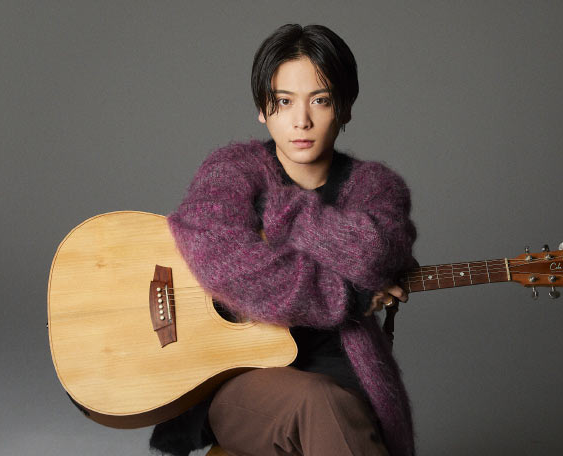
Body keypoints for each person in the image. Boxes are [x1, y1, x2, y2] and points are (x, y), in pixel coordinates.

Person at [150, 23, 418, 456]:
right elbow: (229, 267)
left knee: (334, 406)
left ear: (345, 108)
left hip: (345, 376)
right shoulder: (231, 171)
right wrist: (346, 293)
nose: (301, 120)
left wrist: (286, 213)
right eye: (284, 101)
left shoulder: (377, 187)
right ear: (263, 108)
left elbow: (377, 252)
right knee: (318, 405)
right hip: (239, 379)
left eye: (321, 100)